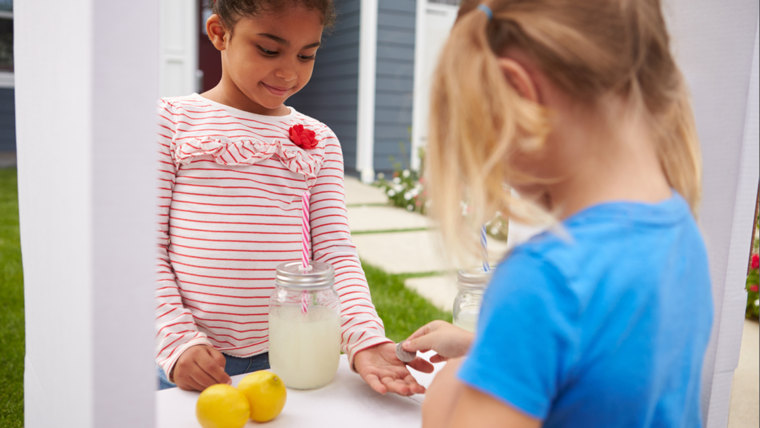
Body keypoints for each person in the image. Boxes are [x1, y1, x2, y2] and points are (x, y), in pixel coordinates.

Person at [400, 0, 714, 426]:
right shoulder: (680, 230)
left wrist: (449, 388)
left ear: (519, 94)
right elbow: (604, 371)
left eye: (477, 128)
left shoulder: (545, 278)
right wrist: (486, 348)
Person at [155, 0, 428, 395]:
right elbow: (143, 248)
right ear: (219, 33)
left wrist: (363, 336)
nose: (289, 72)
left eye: (306, 55)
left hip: (294, 355)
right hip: (191, 360)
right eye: (268, 50)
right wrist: (177, 341)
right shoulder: (171, 123)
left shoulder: (320, 141)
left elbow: (335, 251)